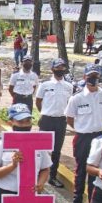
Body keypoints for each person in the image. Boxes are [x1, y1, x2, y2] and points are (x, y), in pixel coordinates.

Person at [64, 64, 102, 203]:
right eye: (90, 76)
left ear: (99, 77)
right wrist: (82, 127)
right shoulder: (77, 98)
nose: (93, 79)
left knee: (96, 171)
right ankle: (76, 202)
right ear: (85, 77)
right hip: (83, 138)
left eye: (96, 76)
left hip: (100, 137)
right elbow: (70, 119)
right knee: (81, 171)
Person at [36, 58, 74, 188]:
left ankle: (52, 176)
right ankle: (38, 174)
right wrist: (44, 113)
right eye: (57, 68)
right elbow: (38, 101)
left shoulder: (69, 87)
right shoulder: (45, 85)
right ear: (52, 69)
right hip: (46, 119)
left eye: (62, 68)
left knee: (56, 150)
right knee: (41, 148)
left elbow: (70, 104)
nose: (60, 70)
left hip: (61, 121)